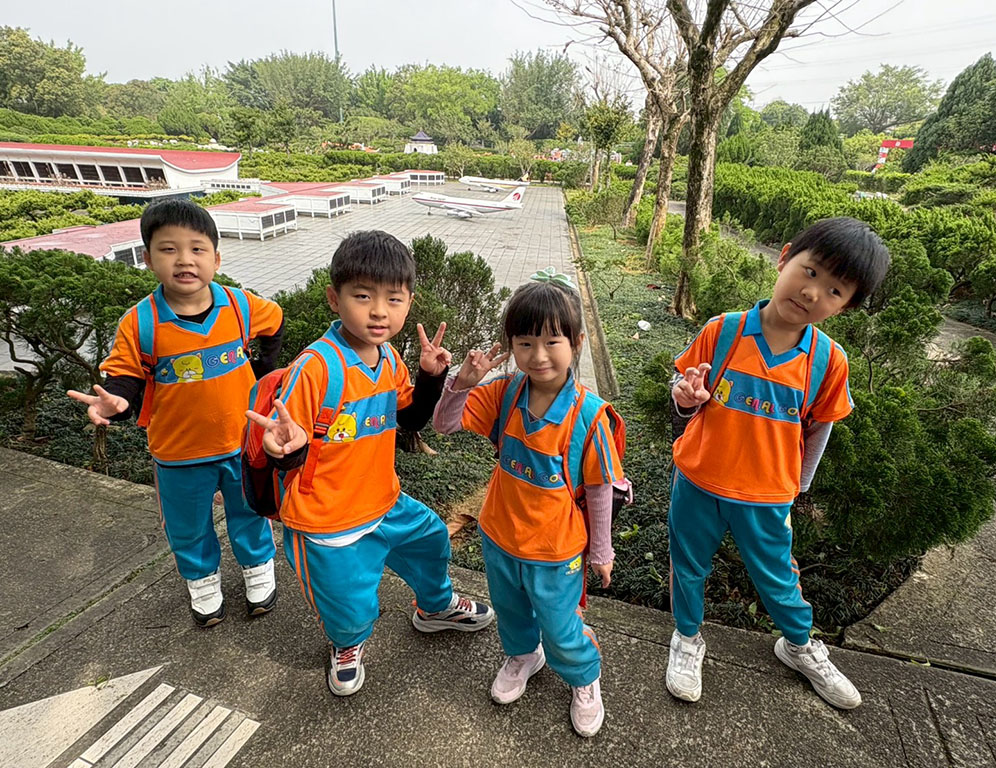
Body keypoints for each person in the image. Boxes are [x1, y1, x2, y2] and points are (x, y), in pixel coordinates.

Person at [246, 230, 493, 697]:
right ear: (334, 299)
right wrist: (286, 447)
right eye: (363, 296)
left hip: (383, 498)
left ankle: (435, 608)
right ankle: (347, 643)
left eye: (393, 299)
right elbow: (288, 445)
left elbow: (409, 419)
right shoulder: (316, 367)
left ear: (408, 303)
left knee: (430, 541)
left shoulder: (388, 358)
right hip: (327, 518)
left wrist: (431, 377)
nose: (379, 311)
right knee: (348, 602)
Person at [665, 217, 890, 710]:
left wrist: (797, 488)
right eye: (810, 271)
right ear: (785, 257)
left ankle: (799, 645)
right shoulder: (723, 331)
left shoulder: (827, 361)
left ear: (846, 306)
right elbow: (683, 391)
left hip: (767, 495)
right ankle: (686, 637)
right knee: (688, 566)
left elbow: (820, 429)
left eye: (834, 290)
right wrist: (684, 397)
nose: (812, 292)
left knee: (778, 577)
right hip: (698, 479)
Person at [67, 199, 284, 627]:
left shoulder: (240, 306)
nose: (185, 260)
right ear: (148, 258)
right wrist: (116, 402)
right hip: (178, 452)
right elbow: (125, 376)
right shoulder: (140, 322)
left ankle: (258, 569)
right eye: (169, 249)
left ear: (216, 259)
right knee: (188, 525)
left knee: (250, 512)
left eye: (197, 249)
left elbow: (274, 322)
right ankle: (202, 581)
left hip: (241, 443)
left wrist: (264, 372)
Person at [433, 269, 624, 737]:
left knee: (560, 626)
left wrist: (601, 551)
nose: (538, 356)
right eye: (525, 343)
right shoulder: (504, 394)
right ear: (511, 345)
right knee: (512, 611)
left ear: (577, 343)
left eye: (552, 342)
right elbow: (444, 425)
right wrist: (462, 383)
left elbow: (600, 489)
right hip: (500, 536)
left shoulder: (588, 416)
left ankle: (583, 677)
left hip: (556, 552)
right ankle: (523, 656)